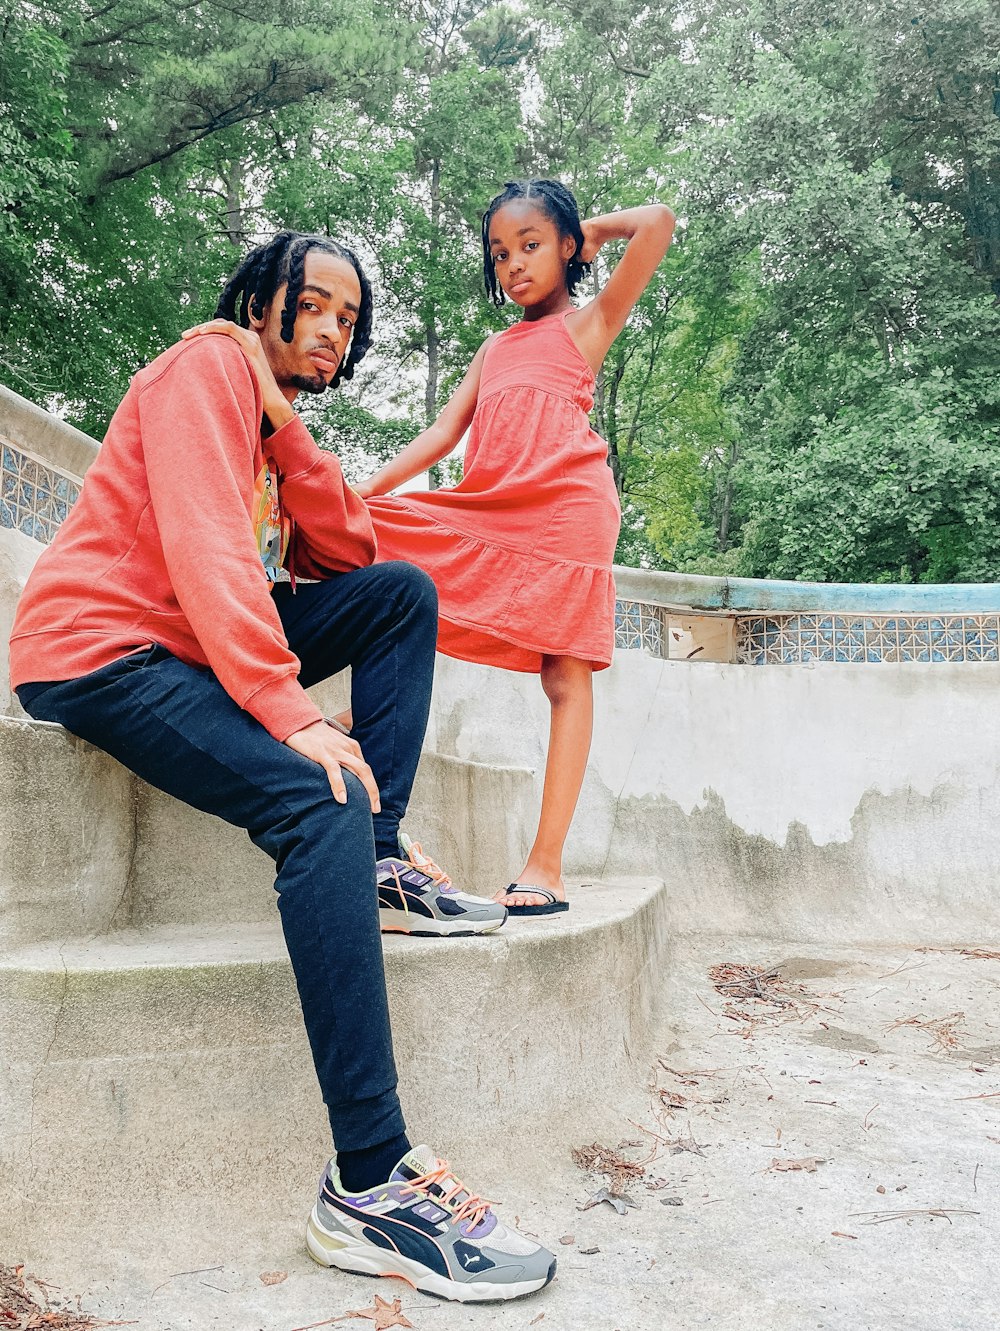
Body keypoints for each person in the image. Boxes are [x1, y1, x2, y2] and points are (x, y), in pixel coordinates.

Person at [7, 230, 554, 1302]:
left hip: (191, 643)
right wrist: (287, 709)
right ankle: (368, 1182)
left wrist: (289, 424)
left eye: (349, 320)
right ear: (261, 299)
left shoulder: (263, 420)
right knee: (320, 795)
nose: (332, 329)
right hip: (103, 647)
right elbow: (211, 547)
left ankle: (386, 856)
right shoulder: (203, 364)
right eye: (315, 304)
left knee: (401, 593)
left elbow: (346, 554)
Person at [354, 180, 675, 915]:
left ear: (565, 247)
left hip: (566, 509)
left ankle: (546, 865)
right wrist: (362, 491)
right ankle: (345, 712)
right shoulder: (494, 348)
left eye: (531, 246)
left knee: (565, 676)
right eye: (500, 254)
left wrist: (583, 227)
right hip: (490, 505)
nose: (514, 266)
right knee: (371, 543)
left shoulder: (589, 324)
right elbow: (442, 435)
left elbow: (657, 223)